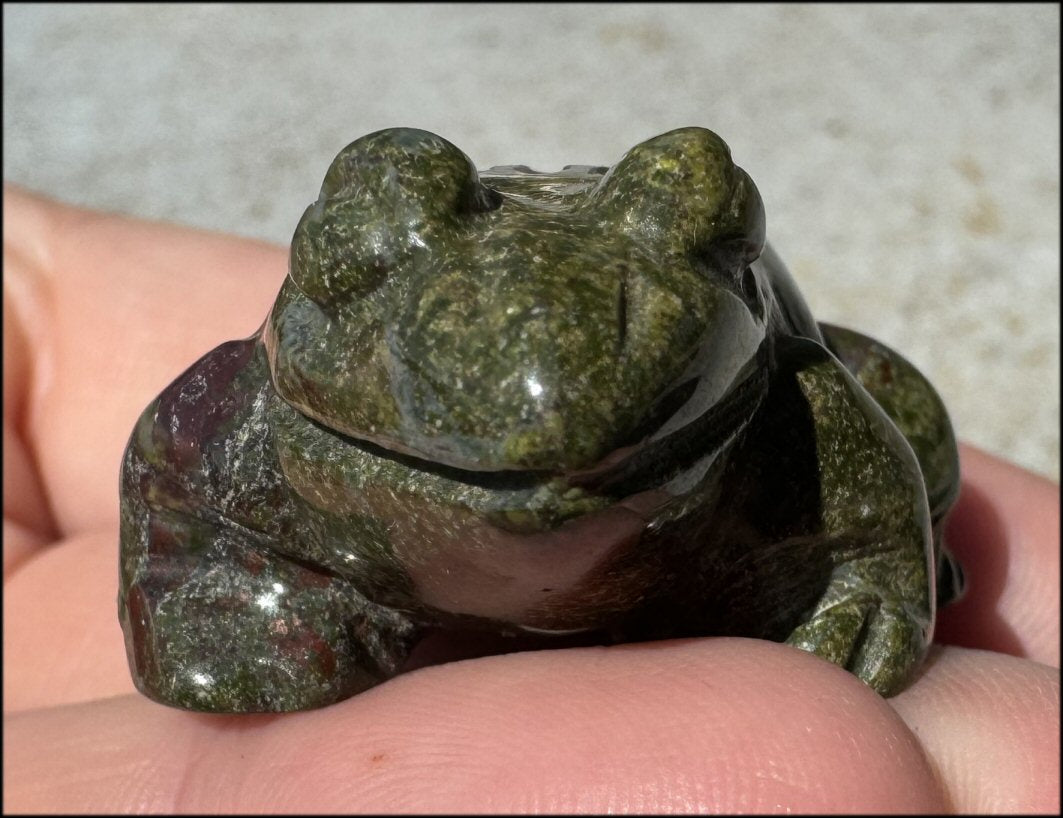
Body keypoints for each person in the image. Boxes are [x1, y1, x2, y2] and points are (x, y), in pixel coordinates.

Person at [3, 184, 1058, 813]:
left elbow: (843, 419)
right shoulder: (268, 423)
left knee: (897, 409)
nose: (540, 456)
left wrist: (874, 560)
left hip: (711, 482)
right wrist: (224, 596)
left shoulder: (796, 416)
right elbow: (179, 455)